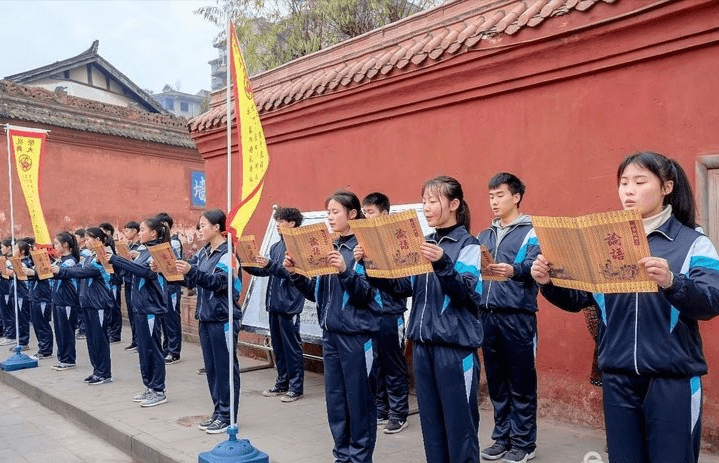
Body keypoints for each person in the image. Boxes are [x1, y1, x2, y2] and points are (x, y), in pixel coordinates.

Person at [531, 152, 719, 463]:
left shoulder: (693, 242)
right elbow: (580, 299)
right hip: (617, 377)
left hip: (672, 379)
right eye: (623, 183)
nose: (628, 190)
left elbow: (710, 301)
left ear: (667, 187)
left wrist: (673, 281)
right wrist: (548, 282)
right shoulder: (605, 241)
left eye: (639, 182)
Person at [285, 191, 382, 463]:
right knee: (336, 402)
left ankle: (360, 457)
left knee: (359, 402)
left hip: (357, 336)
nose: (330, 216)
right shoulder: (329, 248)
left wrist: (346, 271)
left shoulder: (365, 248)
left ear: (352, 214)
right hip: (331, 336)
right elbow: (317, 293)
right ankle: (342, 455)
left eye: (335, 211)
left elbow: (367, 295)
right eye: (327, 211)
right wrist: (295, 275)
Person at [406, 176, 483, 463]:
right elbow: (403, 289)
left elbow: (465, 292)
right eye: (424, 201)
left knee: (459, 428)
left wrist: (441, 263)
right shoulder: (425, 242)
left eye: (433, 201)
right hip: (423, 347)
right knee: (432, 427)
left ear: (454, 204)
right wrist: (373, 264)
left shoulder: (468, 245)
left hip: (454, 349)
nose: (426, 207)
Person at [476, 173, 540, 463]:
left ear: (516, 197)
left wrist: (513, 270)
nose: (494, 201)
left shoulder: (531, 231)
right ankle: (502, 438)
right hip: (487, 315)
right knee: (498, 381)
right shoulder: (483, 236)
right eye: (491, 196)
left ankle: (525, 443)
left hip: (518, 317)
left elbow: (532, 267)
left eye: (500, 195)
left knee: (521, 382)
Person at [175, 209, 241, 434]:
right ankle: (218, 411)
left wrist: (191, 271)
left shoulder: (228, 253)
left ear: (216, 227)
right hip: (205, 317)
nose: (199, 229)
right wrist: (178, 270)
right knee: (212, 369)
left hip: (223, 318)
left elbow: (220, 282)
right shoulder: (204, 252)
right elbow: (192, 276)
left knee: (225, 369)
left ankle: (228, 415)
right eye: (199, 225)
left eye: (203, 225)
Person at [355, 192, 410, 434]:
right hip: (370, 312)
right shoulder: (363, 243)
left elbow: (406, 285)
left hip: (391, 312)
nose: (366, 217)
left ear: (384, 213)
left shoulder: (399, 243)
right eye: (364, 213)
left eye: (371, 212)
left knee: (393, 364)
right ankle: (381, 406)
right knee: (375, 363)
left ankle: (399, 413)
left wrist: (379, 267)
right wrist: (361, 263)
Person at [242, 206, 306, 403]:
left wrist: (270, 264)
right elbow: (267, 272)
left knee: (292, 347)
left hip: (289, 305)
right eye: (277, 220)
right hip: (274, 304)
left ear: (292, 223)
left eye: (281, 220)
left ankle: (296, 387)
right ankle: (281, 382)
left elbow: (291, 274)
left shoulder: (299, 246)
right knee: (278, 346)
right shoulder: (276, 247)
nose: (277, 224)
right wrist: (247, 263)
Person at [108, 217, 170, 407]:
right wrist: (116, 265)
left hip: (150, 307)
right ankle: (150, 386)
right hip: (140, 307)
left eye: (142, 229)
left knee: (153, 349)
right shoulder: (143, 251)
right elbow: (132, 272)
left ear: (154, 232)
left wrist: (116, 259)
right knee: (144, 350)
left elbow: (146, 273)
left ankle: (159, 389)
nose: (139, 232)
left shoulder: (158, 251)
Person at [51, 227, 113, 385]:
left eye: (89, 239)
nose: (86, 242)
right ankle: (97, 371)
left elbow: (85, 272)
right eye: (85, 239)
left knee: (99, 340)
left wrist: (62, 272)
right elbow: (79, 269)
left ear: (99, 240)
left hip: (98, 304)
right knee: (92, 341)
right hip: (88, 303)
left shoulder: (102, 256)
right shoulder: (88, 257)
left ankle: (104, 373)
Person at [50, 232, 81, 371]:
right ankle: (62, 358)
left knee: (66, 331)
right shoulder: (60, 260)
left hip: (67, 301)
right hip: (58, 301)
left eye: (56, 243)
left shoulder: (70, 261)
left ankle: (68, 359)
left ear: (66, 244)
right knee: (59, 331)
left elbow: (62, 273)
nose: (54, 246)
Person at [156, 212, 182, 364]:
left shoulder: (174, 242)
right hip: (161, 285)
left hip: (172, 286)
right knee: (164, 319)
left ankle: (174, 351)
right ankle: (166, 348)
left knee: (172, 319)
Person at [22, 241, 55, 360]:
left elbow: (45, 274)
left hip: (42, 298)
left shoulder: (47, 262)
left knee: (43, 324)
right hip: (34, 297)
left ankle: (46, 350)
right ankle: (42, 348)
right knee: (37, 324)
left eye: (36, 247)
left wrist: (34, 273)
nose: (33, 249)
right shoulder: (35, 262)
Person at [100, 222, 123, 344]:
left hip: (113, 282)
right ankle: (110, 332)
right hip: (108, 282)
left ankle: (115, 333)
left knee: (114, 307)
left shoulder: (109, 251)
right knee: (109, 307)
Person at [122, 221, 141, 351]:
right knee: (131, 313)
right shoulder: (130, 245)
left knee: (137, 313)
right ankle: (135, 340)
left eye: (128, 231)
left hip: (136, 282)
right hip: (128, 281)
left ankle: (139, 341)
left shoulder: (140, 247)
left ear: (135, 231)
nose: (126, 233)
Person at [0, 239, 16, 346]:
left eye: (2, 246)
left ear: (9, 247)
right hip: (3, 288)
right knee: (4, 312)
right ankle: (8, 333)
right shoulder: (6, 259)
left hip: (7, 288)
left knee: (8, 312)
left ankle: (11, 335)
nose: (1, 249)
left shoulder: (11, 260)